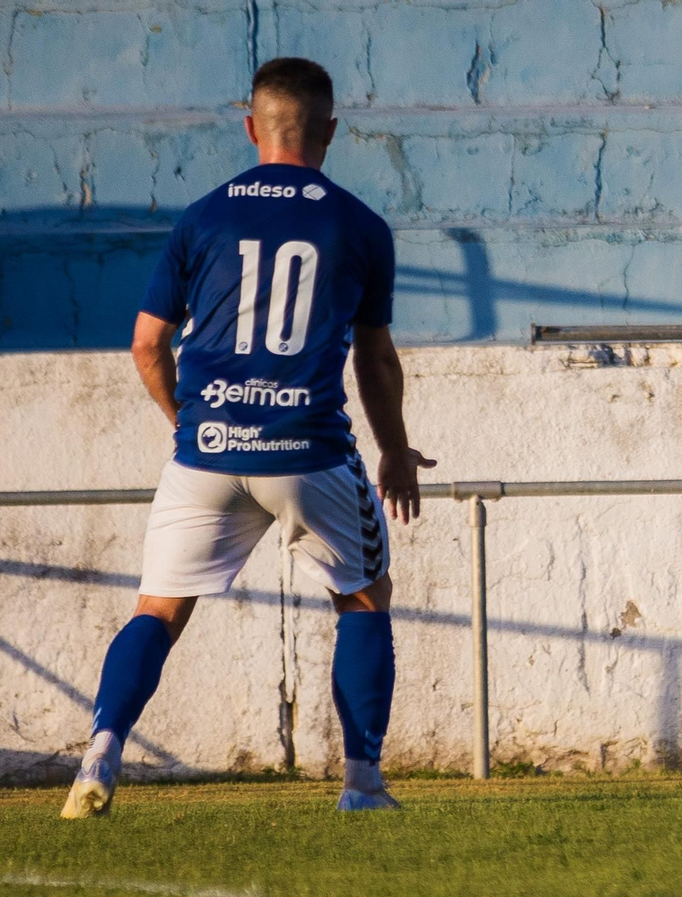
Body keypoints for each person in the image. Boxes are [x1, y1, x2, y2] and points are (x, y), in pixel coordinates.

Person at [61, 58, 433, 818]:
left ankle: (100, 748)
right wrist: (394, 450)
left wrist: (189, 423)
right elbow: (376, 356)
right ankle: (362, 784)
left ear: (249, 127)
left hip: (206, 451)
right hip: (308, 451)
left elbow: (146, 344)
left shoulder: (201, 217)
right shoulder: (360, 224)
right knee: (363, 599)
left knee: (157, 611)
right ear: (331, 130)